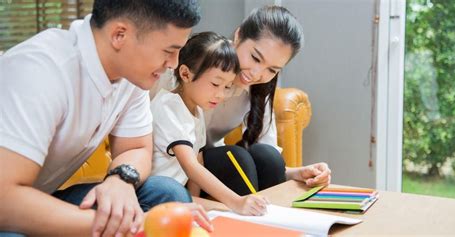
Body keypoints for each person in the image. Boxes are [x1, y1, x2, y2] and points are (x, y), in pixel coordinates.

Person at [0, 0, 211, 236]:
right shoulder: (40, 70)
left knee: (166, 193)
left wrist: (120, 180)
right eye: (169, 51)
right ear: (120, 35)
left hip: (42, 196)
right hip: (7, 204)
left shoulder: (131, 76)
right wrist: (137, 224)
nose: (173, 64)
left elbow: (137, 148)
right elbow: (5, 200)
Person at [200, 5, 332, 196]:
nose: (256, 74)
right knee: (236, 158)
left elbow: (270, 162)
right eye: (255, 57)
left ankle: (271, 222)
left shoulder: (258, 90)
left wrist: (301, 173)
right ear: (238, 36)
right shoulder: (200, 61)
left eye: (272, 70)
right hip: (179, 163)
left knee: (268, 156)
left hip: (215, 166)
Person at [150, 31, 269, 216]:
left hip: (177, 193)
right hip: (157, 193)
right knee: (229, 208)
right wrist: (236, 201)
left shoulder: (197, 111)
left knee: (227, 211)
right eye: (215, 84)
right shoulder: (169, 106)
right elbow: (190, 165)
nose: (221, 95)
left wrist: (194, 201)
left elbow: (198, 160)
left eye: (227, 87)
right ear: (185, 74)